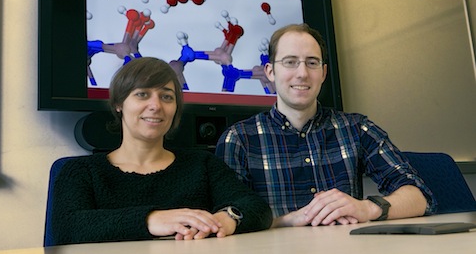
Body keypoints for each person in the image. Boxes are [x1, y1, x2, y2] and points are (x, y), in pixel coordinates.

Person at [215, 23, 437, 228]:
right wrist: (290, 220)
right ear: (270, 72)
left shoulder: (357, 129)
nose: (302, 73)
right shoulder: (238, 139)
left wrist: (366, 208)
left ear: (323, 73)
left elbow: (420, 197)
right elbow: (226, 221)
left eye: (312, 63)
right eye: (290, 62)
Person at [50, 57, 272, 245]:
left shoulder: (202, 165)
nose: (156, 105)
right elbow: (67, 228)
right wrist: (150, 220)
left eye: (166, 96)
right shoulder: (79, 171)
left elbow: (256, 208)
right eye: (142, 94)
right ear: (119, 103)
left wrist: (227, 219)